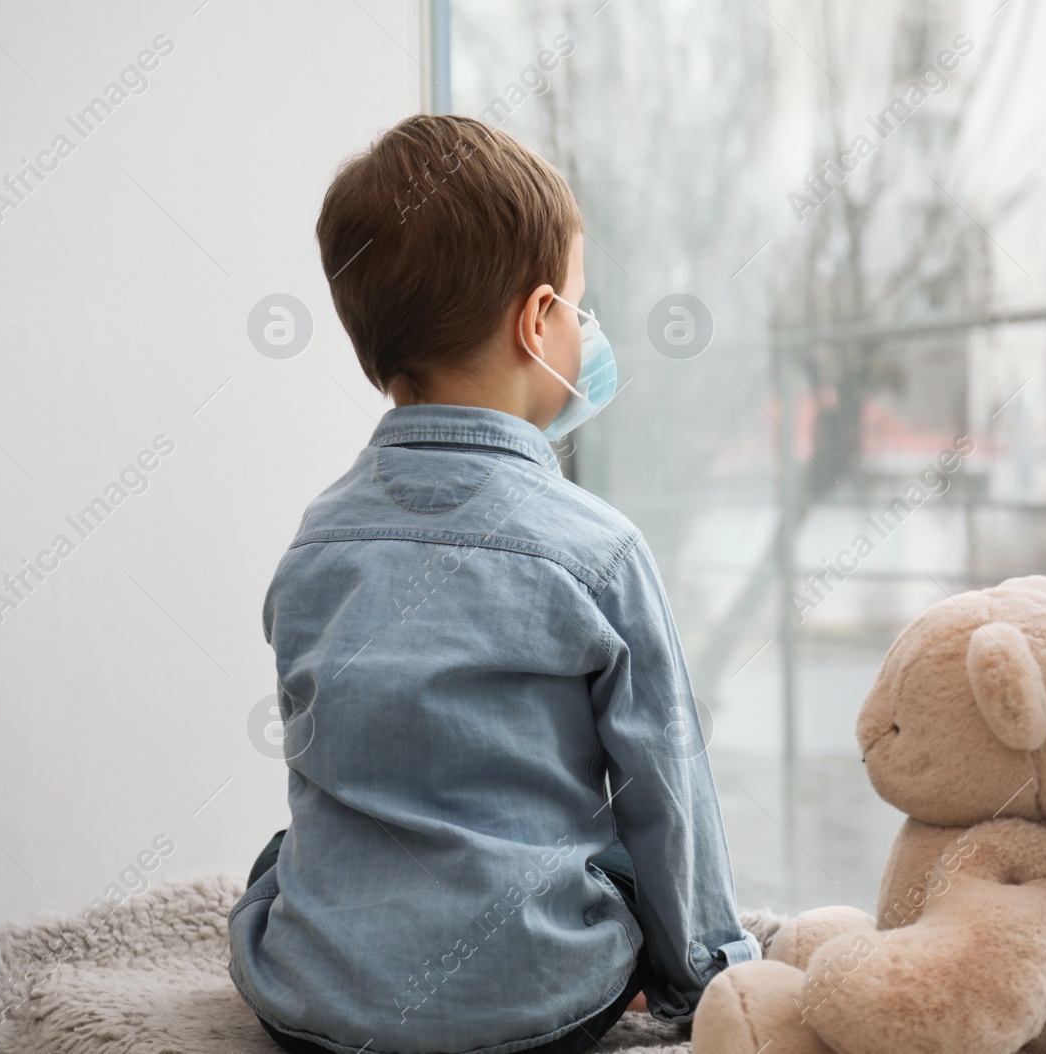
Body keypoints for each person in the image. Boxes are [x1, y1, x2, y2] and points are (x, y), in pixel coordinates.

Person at [227, 113, 758, 1054]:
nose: (587, 331)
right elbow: (665, 790)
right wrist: (705, 978)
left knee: (288, 856)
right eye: (580, 308)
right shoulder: (600, 550)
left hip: (312, 1015)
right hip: (535, 1013)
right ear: (536, 320)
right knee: (625, 856)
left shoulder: (314, 544)